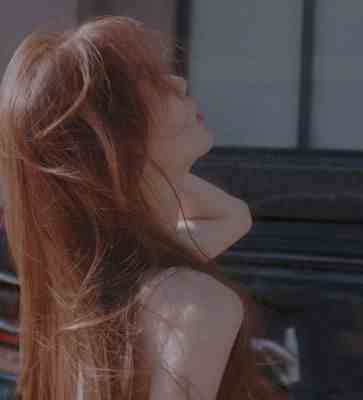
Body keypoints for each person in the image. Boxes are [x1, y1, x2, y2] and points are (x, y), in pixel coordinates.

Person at [0, 15, 287, 400]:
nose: (179, 83)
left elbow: (233, 217)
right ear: (115, 135)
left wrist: (135, 174)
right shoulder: (191, 304)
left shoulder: (95, 293)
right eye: (151, 82)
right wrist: (137, 173)